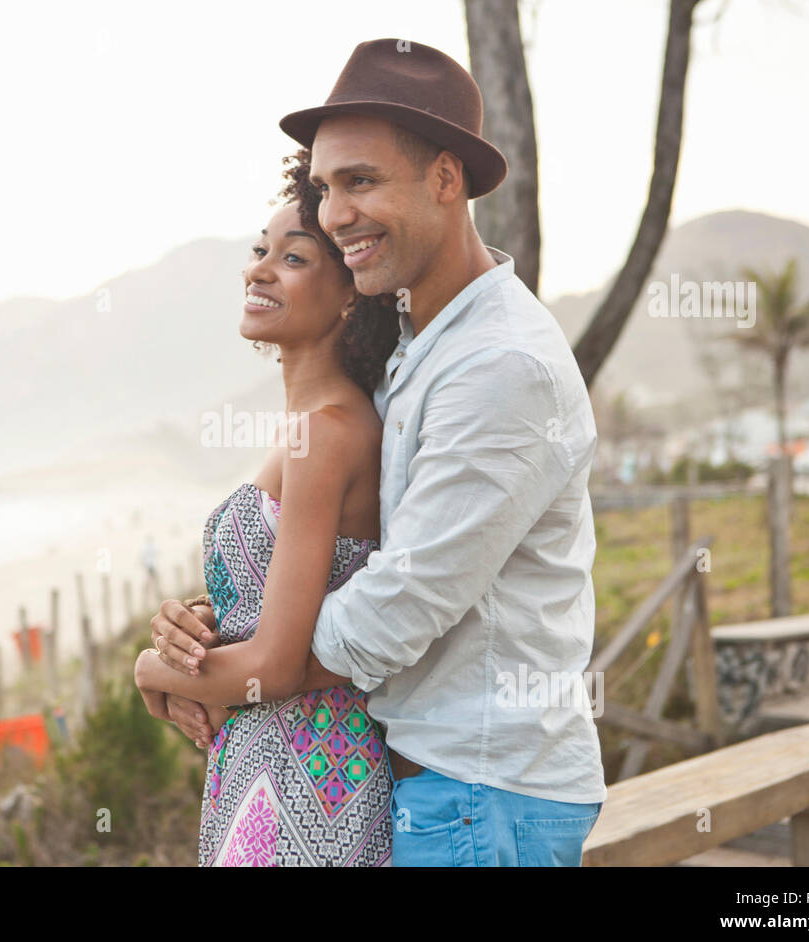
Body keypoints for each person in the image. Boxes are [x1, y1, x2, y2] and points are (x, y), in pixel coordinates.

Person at [149, 39, 606, 867]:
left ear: (444, 179)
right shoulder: (415, 346)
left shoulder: (501, 365)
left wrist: (227, 666)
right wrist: (230, 633)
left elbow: (398, 605)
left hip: (480, 795)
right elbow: (355, 556)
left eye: (360, 181)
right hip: (432, 791)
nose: (334, 214)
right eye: (325, 188)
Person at [133, 153, 399, 866]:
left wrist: (150, 673)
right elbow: (278, 611)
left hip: (305, 774)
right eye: (259, 252)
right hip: (277, 769)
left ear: (349, 295)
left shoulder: (327, 433)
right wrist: (193, 628)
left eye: (294, 258)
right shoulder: (318, 426)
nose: (259, 270)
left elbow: (276, 666)